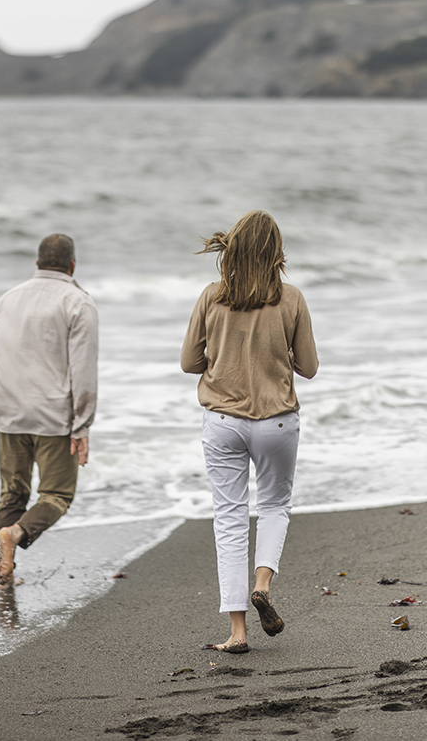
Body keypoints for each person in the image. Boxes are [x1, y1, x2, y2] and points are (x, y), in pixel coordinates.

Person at [180, 210, 318, 654]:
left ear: (233, 249)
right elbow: (309, 367)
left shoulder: (211, 296)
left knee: (230, 518)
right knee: (275, 505)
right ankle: (262, 585)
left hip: (223, 421)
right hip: (276, 421)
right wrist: (275, 354)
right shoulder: (291, 298)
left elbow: (189, 362)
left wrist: (224, 357)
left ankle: (237, 632)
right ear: (276, 253)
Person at [0, 233, 98, 587]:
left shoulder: (8, 299)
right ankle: (15, 534)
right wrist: (82, 425)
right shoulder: (78, 303)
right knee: (57, 495)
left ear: (37, 263)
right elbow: (83, 370)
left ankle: (1, 571)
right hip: (53, 418)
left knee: (13, 493)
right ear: (72, 266)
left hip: (7, 412)